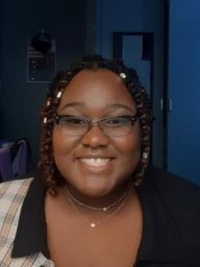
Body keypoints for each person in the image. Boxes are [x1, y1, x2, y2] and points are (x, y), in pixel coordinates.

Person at [0, 55, 200, 267]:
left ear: (142, 131)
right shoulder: (3, 205)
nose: (95, 139)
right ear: (51, 131)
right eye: (75, 120)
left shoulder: (192, 211)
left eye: (115, 120)